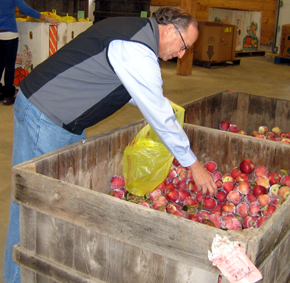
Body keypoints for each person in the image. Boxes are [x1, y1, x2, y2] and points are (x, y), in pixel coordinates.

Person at [3, 6, 217, 283]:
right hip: (45, 117)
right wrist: (193, 164)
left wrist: (157, 102)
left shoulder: (134, 34)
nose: (182, 54)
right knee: (32, 204)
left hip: (60, 119)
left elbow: (116, 81)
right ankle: (16, 278)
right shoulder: (137, 49)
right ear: (168, 30)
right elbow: (158, 116)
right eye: (184, 45)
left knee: (64, 200)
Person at [0, 0, 60, 106]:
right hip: (9, 34)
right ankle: (8, 95)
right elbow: (27, 10)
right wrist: (47, 18)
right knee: (9, 66)